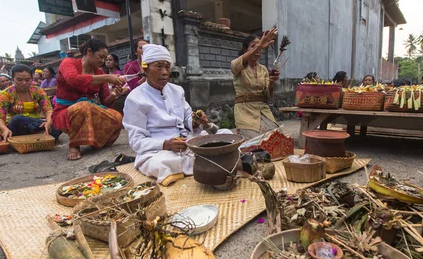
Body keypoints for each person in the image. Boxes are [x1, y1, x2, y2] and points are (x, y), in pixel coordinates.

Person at [123, 44, 232, 186]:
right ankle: (205, 165)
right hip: (159, 151)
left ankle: (198, 165)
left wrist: (195, 121)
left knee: (227, 135)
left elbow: (187, 116)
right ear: (145, 69)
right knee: (163, 163)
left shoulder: (177, 90)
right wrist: (165, 144)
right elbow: (137, 142)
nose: (164, 72)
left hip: (187, 143)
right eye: (159, 66)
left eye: (167, 67)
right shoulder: (135, 98)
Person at [52, 38, 126, 160]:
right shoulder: (68, 63)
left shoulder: (100, 73)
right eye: (100, 57)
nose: (102, 61)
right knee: (83, 106)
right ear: (89, 52)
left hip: (89, 108)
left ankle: (97, 142)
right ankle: (75, 145)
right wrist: (107, 77)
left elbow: (104, 102)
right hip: (65, 112)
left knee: (117, 117)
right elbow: (74, 79)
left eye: (104, 58)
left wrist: (113, 95)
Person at [230, 29, 279, 140]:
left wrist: (271, 82)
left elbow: (267, 96)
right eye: (253, 46)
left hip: (263, 110)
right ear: (245, 49)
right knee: (256, 142)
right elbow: (233, 66)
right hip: (244, 111)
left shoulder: (263, 69)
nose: (258, 50)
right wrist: (260, 44)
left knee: (277, 139)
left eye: (260, 48)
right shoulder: (238, 65)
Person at [0, 64, 59, 141]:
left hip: (36, 123)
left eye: (27, 80)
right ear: (13, 79)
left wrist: (48, 122)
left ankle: (42, 133)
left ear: (32, 78)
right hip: (15, 127)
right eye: (19, 80)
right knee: (18, 119)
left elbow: (48, 109)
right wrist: (4, 129)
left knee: (58, 121)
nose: (24, 83)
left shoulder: (38, 90)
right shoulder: (5, 94)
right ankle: (42, 135)